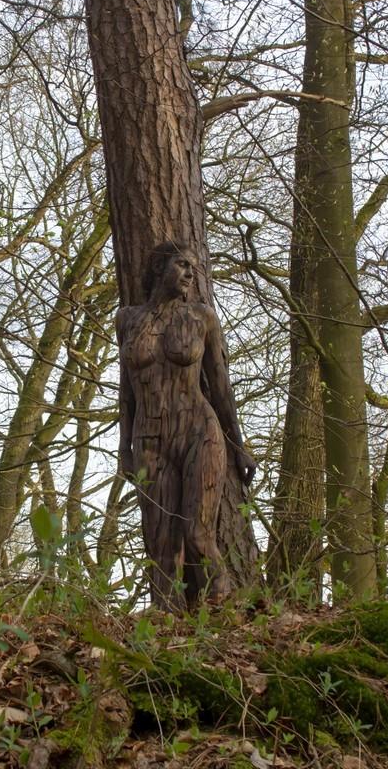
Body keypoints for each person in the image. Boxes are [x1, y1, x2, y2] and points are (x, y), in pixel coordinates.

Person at [117, 241, 256, 609]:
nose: (190, 274)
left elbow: (220, 384)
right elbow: (126, 392)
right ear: (160, 269)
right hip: (149, 439)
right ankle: (166, 635)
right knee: (162, 547)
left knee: (198, 535)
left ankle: (225, 620)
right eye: (182, 265)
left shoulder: (201, 317)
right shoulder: (128, 319)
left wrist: (238, 444)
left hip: (199, 431)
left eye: (193, 268)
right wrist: (123, 450)